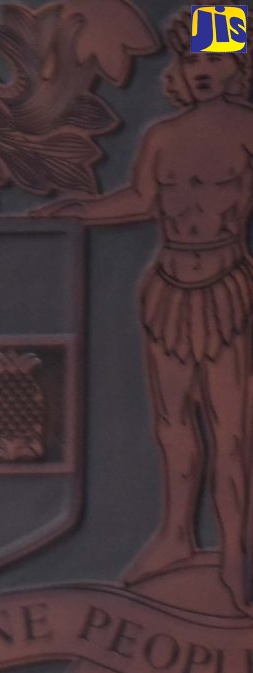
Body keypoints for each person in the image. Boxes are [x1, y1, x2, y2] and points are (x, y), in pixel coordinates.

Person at [37, 14, 253, 611]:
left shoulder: (248, 131)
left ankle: (236, 550)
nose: (203, 71)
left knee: (231, 430)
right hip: (166, 290)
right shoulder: (160, 136)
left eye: (217, 58)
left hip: (227, 290)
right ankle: (176, 537)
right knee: (172, 424)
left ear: (240, 65)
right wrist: (76, 211)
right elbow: (140, 200)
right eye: (193, 60)